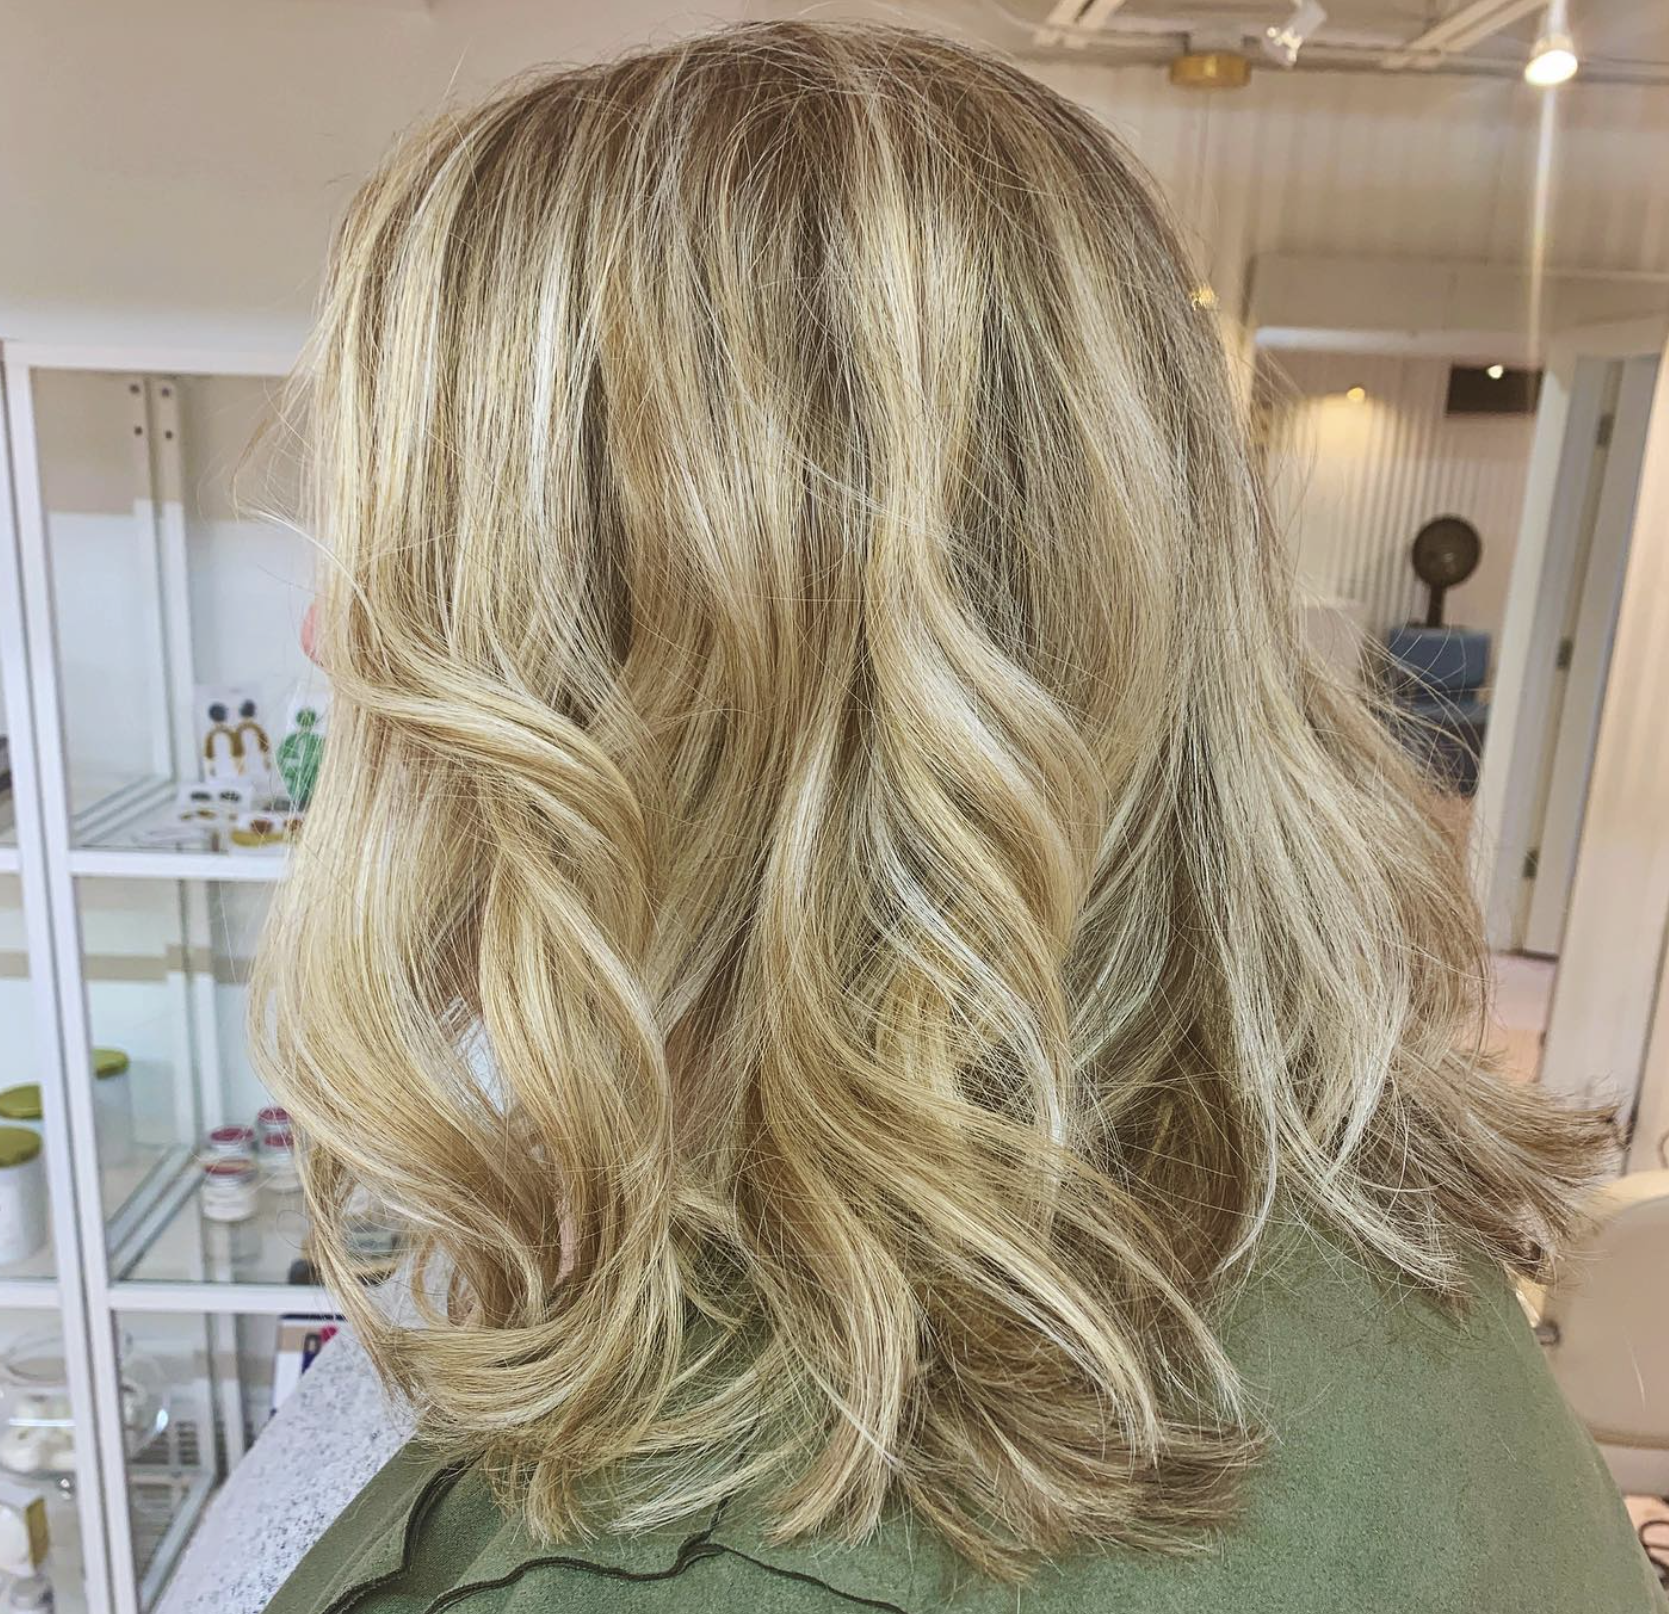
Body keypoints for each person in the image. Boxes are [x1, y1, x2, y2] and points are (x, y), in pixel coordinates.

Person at [249, 21, 1666, 1613]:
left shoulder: (695, 1563)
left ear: (719, 647)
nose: (335, 637)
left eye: (418, 553)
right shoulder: (1358, 1228)